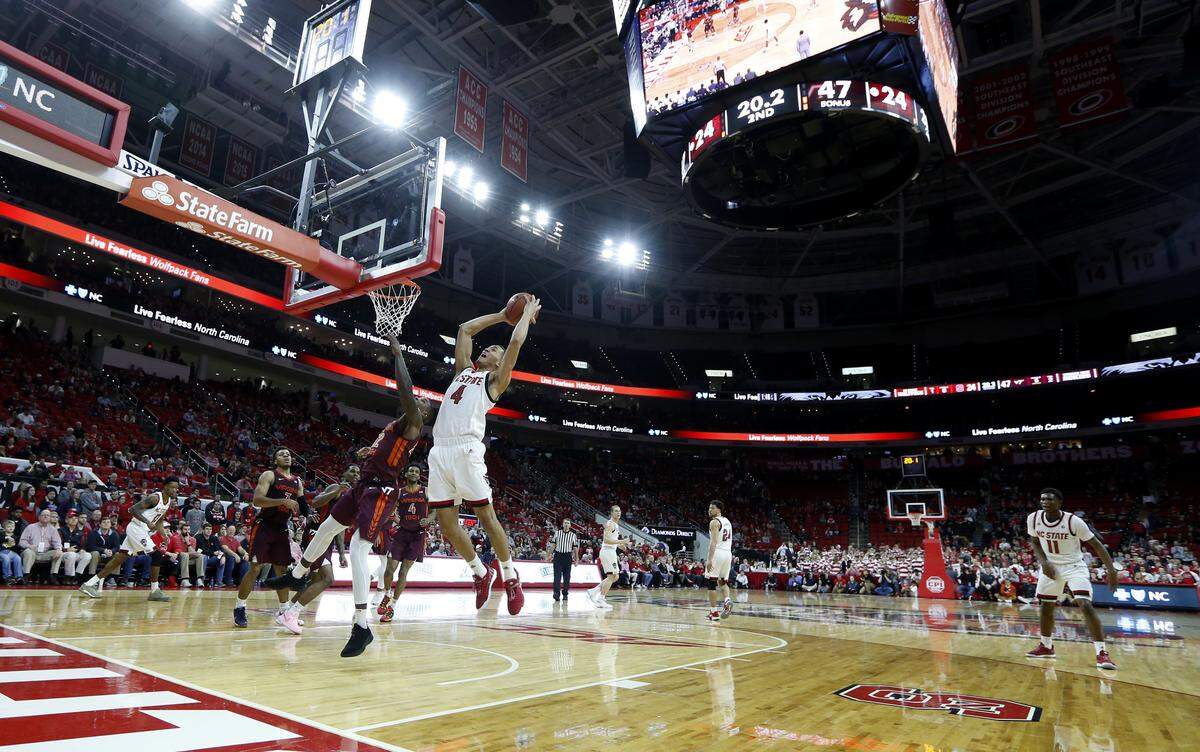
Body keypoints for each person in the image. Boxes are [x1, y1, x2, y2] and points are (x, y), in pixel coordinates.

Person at [267, 336, 426, 658]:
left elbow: (407, 393)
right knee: (328, 526)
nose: (417, 405)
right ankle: (298, 576)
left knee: (358, 546)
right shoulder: (393, 428)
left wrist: (399, 356)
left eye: (422, 405)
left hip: (381, 491)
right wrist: (372, 453)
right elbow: (387, 452)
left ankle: (360, 623)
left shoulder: (414, 423)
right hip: (364, 484)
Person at [424, 299, 543, 615]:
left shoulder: (495, 382)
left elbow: (515, 341)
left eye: (492, 350)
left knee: (487, 519)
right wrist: (502, 316)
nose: (486, 350)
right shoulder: (463, 372)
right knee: (448, 526)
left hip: (466, 450)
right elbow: (465, 330)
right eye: (486, 348)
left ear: (499, 361)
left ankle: (510, 576)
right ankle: (480, 572)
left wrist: (525, 316)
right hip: (440, 451)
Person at [1025, 488, 1120, 670]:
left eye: (1050, 499)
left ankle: (1102, 653)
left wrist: (1111, 570)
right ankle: (1046, 646)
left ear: (1059, 502)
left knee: (1084, 604)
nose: (1045, 502)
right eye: (1042, 498)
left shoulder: (1073, 521)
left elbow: (1097, 546)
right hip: (1051, 566)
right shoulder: (1033, 518)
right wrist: (1044, 563)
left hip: (1074, 566)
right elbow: (1035, 542)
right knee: (1046, 606)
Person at [274, 467, 356, 634]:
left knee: (315, 580)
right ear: (344, 474)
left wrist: (341, 553)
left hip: (328, 540)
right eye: (352, 471)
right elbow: (316, 502)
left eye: (358, 472)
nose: (356, 474)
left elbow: (340, 527)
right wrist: (338, 490)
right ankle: (290, 614)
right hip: (315, 535)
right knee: (327, 579)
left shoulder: (352, 495)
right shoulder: (336, 487)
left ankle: (288, 612)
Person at [232, 448, 304, 629]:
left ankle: (284, 612)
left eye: (289, 453)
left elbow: (302, 505)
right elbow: (257, 500)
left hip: (282, 528)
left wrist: (310, 516)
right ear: (275, 460)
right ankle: (240, 607)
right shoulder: (269, 475)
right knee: (256, 568)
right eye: (282, 454)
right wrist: (281, 501)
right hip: (264, 525)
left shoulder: (297, 481)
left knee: (282, 570)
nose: (286, 455)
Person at [78, 478, 177, 601]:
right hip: (136, 528)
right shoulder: (155, 498)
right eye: (173, 487)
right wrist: (147, 522)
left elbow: (160, 520)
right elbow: (133, 510)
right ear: (166, 486)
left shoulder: (167, 502)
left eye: (177, 488)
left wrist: (164, 535)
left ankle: (88, 584)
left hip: (142, 530)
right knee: (156, 555)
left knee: (118, 560)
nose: (175, 490)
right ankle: (154, 590)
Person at [377, 465, 434, 623]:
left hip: (418, 536)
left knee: (403, 572)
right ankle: (387, 594)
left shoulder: (426, 491)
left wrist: (429, 519)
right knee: (389, 569)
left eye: (416, 471)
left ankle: (392, 607)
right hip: (401, 534)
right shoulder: (400, 492)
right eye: (411, 471)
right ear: (406, 473)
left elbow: (436, 509)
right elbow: (389, 510)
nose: (414, 473)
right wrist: (397, 520)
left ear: (419, 475)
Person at [587, 505, 630, 609]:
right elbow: (606, 540)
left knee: (615, 577)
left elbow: (611, 540)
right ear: (611, 513)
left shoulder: (615, 525)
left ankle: (594, 591)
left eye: (619, 511)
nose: (618, 513)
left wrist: (620, 546)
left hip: (611, 551)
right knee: (612, 576)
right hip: (607, 552)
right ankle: (600, 599)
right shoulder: (610, 524)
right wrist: (622, 541)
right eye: (616, 511)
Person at [704, 501, 734, 622]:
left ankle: (714, 613)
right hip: (728, 553)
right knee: (722, 582)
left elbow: (714, 542)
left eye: (712, 508)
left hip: (718, 553)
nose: (709, 510)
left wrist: (710, 559)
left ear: (719, 510)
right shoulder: (727, 521)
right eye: (709, 507)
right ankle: (727, 600)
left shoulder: (714, 522)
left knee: (711, 584)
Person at [20, 509, 62, 581]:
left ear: (50, 518)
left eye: (48, 515)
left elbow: (57, 542)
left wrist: (58, 549)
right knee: (28, 552)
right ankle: (25, 576)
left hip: (45, 553)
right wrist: (29, 546)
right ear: (39, 517)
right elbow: (22, 541)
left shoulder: (53, 529)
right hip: (32, 552)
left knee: (59, 553)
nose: (46, 516)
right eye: (43, 515)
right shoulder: (30, 527)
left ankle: (53, 576)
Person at [548, 518, 580, 603]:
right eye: (565, 523)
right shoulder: (557, 533)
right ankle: (556, 594)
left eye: (568, 523)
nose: (566, 524)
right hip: (558, 556)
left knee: (567, 577)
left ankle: (565, 594)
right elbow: (553, 545)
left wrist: (576, 559)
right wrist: (550, 554)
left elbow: (575, 548)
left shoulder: (573, 535)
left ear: (570, 525)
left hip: (567, 557)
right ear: (562, 524)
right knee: (557, 577)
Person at [0, 519, 24, 584]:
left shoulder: (15, 536)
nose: (11, 528)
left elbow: (17, 548)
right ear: (4, 528)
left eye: (12, 526)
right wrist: (6, 538)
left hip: (11, 552)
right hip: (2, 552)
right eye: (8, 526)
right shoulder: (1, 534)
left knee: (18, 558)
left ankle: (19, 577)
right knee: (6, 558)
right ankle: (7, 577)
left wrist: (14, 545)